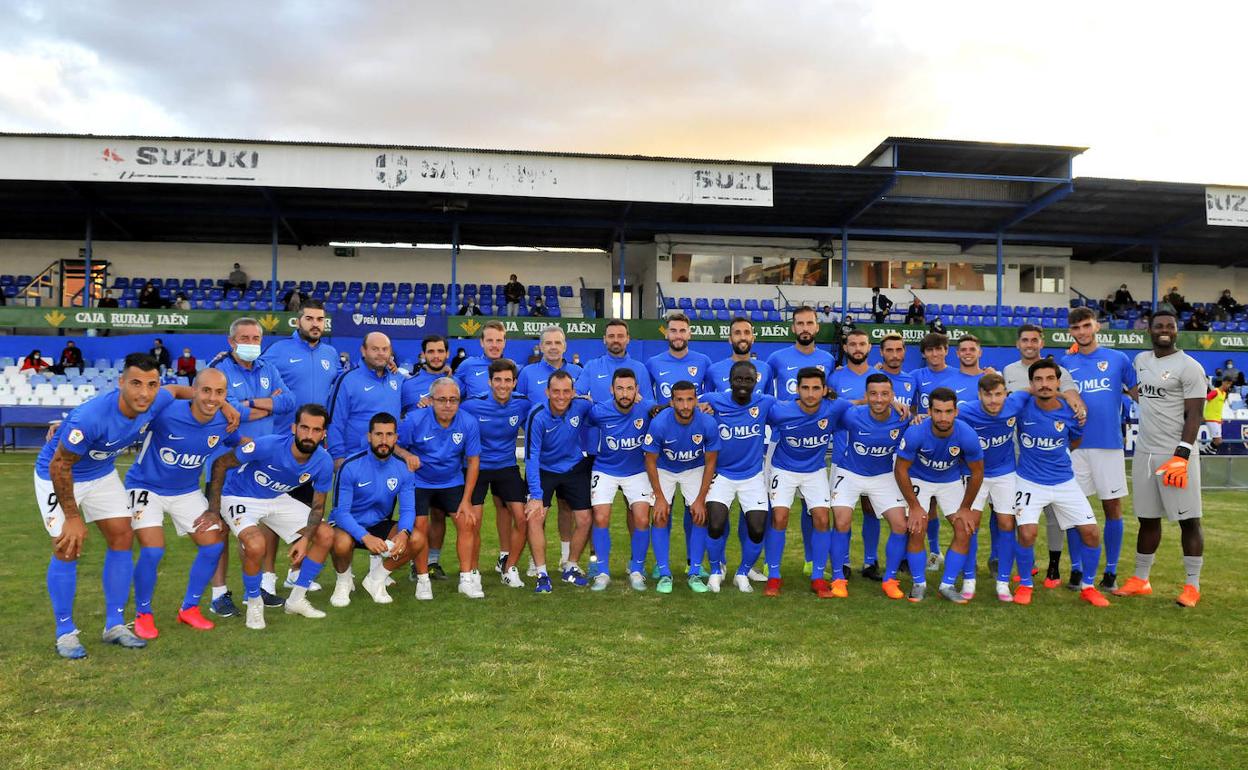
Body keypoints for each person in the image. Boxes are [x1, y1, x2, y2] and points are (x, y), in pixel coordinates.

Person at [33, 353, 192, 658]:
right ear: (120, 383)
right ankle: (65, 632)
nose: (144, 392)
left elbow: (176, 392)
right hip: (58, 476)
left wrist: (221, 403)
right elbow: (59, 466)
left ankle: (115, 625)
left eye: (151, 384)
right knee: (68, 545)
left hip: (101, 474)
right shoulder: (90, 417)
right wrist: (73, 516)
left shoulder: (156, 399)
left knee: (122, 536)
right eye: (135, 383)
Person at [123, 369, 241, 636]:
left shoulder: (225, 420)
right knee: (153, 551)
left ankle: (189, 609)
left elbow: (237, 442)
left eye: (220, 393)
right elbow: (127, 412)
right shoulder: (166, 410)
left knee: (213, 544)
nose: (212, 398)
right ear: (195, 390)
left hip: (186, 491)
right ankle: (143, 613)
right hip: (145, 486)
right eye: (206, 390)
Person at [204, 404, 335, 628]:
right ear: (294, 428)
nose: (309, 435)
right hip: (239, 496)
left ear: (324, 434)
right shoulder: (269, 445)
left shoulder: (323, 461)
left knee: (325, 534)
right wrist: (214, 509)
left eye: (316, 430)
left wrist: (304, 540)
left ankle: (296, 600)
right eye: (304, 428)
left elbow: (318, 506)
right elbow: (221, 463)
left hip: (276, 497)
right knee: (256, 545)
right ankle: (254, 602)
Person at [1115, 309, 1207, 606]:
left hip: (1176, 453)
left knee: (1188, 520)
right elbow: (1142, 395)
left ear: (1177, 330)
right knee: (1147, 519)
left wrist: (1182, 453)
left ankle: (1192, 586)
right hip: (1145, 452)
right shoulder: (1141, 361)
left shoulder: (1190, 367)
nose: (1164, 329)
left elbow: (1195, 415)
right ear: (1150, 330)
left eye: (1170, 325)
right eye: (1159, 325)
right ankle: (1141, 579)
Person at [206, 317, 296, 607]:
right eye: (244, 338)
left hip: (261, 461)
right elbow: (225, 414)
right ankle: (219, 594)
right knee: (218, 528)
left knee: (260, 526)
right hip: (226, 458)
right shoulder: (218, 371)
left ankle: (255, 590)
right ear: (231, 342)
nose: (250, 343)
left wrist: (246, 405)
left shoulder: (268, 368)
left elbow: (288, 402)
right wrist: (267, 404)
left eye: (255, 338)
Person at [1010, 360, 1110, 607]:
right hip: (1029, 480)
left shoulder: (1071, 411)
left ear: (1058, 381)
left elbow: (1074, 441)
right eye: (1039, 380)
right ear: (1031, 383)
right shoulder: (1022, 406)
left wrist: (1069, 397)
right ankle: (1025, 584)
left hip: (1064, 481)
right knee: (1027, 532)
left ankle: (1088, 586)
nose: (1045, 384)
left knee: (1091, 533)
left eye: (1050, 379)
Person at [1002, 323, 1087, 587]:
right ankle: (1028, 567)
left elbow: (1073, 400)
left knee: (1055, 514)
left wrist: (1062, 396)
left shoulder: (1054, 369)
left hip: (1050, 452)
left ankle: (1055, 566)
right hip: (1018, 450)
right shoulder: (1009, 371)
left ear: (1042, 343)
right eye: (1025, 340)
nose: (1029, 344)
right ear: (1018, 344)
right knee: (1022, 515)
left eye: (1034, 340)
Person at [1061, 306, 1137, 590]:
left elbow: (1138, 393)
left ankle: (1111, 571)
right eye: (1076, 328)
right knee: (1073, 509)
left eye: (1086, 325)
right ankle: (1077, 569)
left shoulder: (1117, 359)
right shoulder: (1065, 362)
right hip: (1075, 446)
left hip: (1109, 445)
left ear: (1097, 326)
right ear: (1070, 332)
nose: (1082, 332)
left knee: (1112, 507)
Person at [762, 367, 847, 598]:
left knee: (821, 517)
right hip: (783, 468)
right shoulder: (781, 411)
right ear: (797, 389)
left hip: (815, 470)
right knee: (779, 517)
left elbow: (863, 405)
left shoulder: (835, 407)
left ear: (825, 390)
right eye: (806, 388)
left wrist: (895, 405)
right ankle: (774, 576)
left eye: (816, 388)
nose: (810, 393)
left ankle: (818, 577)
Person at [894, 388, 985, 604]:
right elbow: (900, 469)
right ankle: (919, 583)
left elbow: (978, 472)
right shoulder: (916, 432)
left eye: (948, 411)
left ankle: (947, 585)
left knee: (964, 528)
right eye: (938, 411)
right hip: (919, 479)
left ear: (956, 412)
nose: (943, 417)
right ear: (929, 411)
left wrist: (966, 507)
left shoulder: (967, 434)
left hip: (949, 480)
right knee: (917, 528)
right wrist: (914, 506)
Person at [326, 412, 421, 607]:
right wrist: (364, 536)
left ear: (396, 438)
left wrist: (403, 532)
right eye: (378, 434)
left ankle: (375, 580)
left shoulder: (403, 469)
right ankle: (343, 582)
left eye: (389, 435)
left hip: (379, 523)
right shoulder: (350, 466)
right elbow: (341, 513)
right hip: (348, 525)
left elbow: (409, 509)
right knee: (341, 542)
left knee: (417, 538)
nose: (383, 440)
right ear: (369, 436)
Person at [767, 306, 834, 579]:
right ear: (793, 328)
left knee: (814, 508)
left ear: (817, 327)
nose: (805, 328)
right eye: (800, 323)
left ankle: (810, 560)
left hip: (813, 443)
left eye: (810, 323)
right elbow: (764, 393)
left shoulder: (828, 359)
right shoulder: (776, 358)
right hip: (781, 439)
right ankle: (769, 565)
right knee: (776, 509)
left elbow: (833, 397)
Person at [400, 377, 482, 599]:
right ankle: (423, 579)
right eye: (442, 399)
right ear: (431, 400)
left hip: (451, 481)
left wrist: (466, 500)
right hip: (419, 481)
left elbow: (473, 461)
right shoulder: (414, 419)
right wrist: (407, 454)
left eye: (453, 400)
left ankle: (466, 579)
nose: (448, 405)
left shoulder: (468, 422)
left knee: (467, 521)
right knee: (420, 525)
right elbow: (396, 446)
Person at [829, 374, 910, 600]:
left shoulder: (903, 417)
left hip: (883, 476)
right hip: (850, 472)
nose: (879, 399)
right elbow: (833, 407)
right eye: (873, 394)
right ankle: (838, 579)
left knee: (900, 525)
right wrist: (860, 402)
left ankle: (890, 580)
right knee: (842, 521)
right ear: (866, 395)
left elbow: (922, 419)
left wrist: (912, 414)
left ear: (893, 395)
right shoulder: (853, 415)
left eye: (885, 394)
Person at [702, 361, 777, 593]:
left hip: (752, 476)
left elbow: (796, 410)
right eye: (738, 379)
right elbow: (682, 403)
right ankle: (716, 570)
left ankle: (742, 573)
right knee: (715, 524)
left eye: (748, 380)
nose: (743, 384)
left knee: (756, 529)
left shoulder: (765, 402)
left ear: (756, 382)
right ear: (730, 381)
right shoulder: (713, 400)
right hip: (721, 475)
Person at [458, 359, 532, 588]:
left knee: (522, 518)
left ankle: (509, 568)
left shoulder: (523, 405)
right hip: (477, 468)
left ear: (515, 382)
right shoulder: (471, 406)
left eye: (507, 380)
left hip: (507, 466)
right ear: (489, 382)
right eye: (497, 380)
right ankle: (474, 572)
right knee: (474, 521)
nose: (502, 385)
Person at [581, 369, 656, 592]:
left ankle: (637, 569)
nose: (625, 393)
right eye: (620, 388)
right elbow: (581, 419)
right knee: (601, 517)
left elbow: (671, 410)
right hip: (605, 469)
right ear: (611, 389)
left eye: (629, 388)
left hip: (637, 471)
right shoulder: (599, 411)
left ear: (637, 391)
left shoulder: (648, 409)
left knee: (642, 519)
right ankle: (602, 572)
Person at [642, 381, 720, 594]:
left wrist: (700, 499)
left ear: (696, 400)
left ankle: (694, 570)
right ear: (672, 401)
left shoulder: (707, 423)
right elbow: (650, 460)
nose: (685, 405)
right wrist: (659, 497)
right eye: (680, 400)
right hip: (663, 469)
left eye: (690, 399)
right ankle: (664, 572)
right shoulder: (659, 423)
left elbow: (711, 461)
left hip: (694, 468)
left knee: (699, 515)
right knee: (659, 515)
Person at [523, 371, 594, 590]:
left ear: (574, 392)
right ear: (547, 392)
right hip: (544, 469)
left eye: (566, 391)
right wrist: (535, 495)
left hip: (573, 467)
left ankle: (570, 566)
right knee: (535, 516)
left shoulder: (581, 406)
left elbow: (606, 409)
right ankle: (541, 573)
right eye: (556, 391)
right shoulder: (537, 415)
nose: (561, 396)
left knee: (584, 518)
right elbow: (531, 457)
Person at [259, 299, 340, 434]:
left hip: (316, 436)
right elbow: (251, 373)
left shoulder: (330, 353)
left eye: (320, 319)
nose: (315, 324)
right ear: (297, 322)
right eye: (309, 319)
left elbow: (345, 381)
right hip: (283, 434)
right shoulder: (278, 349)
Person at [325, 332, 404, 467]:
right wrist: (337, 456)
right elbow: (335, 421)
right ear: (363, 351)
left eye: (384, 349)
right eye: (375, 349)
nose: (380, 353)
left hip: (390, 461)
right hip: (356, 460)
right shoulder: (347, 380)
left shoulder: (398, 379)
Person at [647, 312, 713, 400]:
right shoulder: (653, 363)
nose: (678, 336)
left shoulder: (704, 362)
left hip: (695, 414)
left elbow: (711, 395)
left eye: (682, 331)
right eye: (673, 331)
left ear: (689, 334)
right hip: (665, 414)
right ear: (666, 334)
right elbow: (645, 396)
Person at [707, 317, 772, 396]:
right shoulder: (714, 370)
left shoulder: (765, 369)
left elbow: (770, 402)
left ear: (753, 339)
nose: (743, 337)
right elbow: (706, 403)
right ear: (730, 339)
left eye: (747, 332)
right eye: (737, 333)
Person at [1202, 375, 1234, 454]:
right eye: (1227, 383)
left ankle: (1210, 454)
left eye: (1230, 384)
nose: (1228, 386)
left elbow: (1219, 407)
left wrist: (1220, 418)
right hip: (1211, 418)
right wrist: (1202, 414)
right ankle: (1204, 451)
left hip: (1217, 419)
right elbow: (1205, 401)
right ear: (1223, 382)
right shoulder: (1215, 392)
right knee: (1218, 441)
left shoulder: (1224, 394)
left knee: (1216, 440)